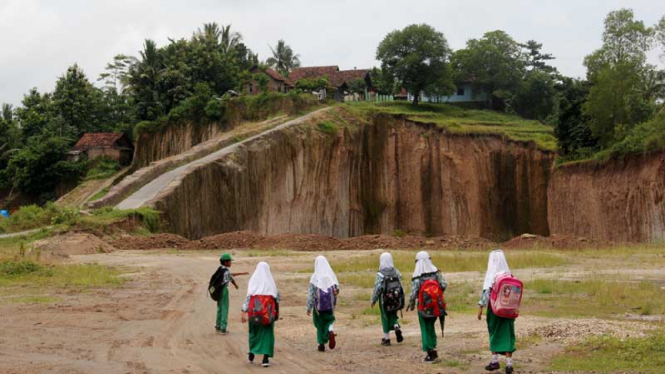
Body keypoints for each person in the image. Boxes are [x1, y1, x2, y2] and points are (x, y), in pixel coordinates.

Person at [478, 249, 516, 374]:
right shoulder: (510, 276)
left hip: (494, 311)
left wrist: (480, 308)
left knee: (493, 333)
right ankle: (509, 364)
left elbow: (485, 295)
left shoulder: (492, 276)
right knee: (508, 334)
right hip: (509, 312)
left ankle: (494, 362)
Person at [407, 251, 447, 363]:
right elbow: (444, 285)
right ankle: (433, 348)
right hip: (436, 306)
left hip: (423, 307)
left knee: (425, 328)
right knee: (431, 326)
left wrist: (411, 305)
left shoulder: (417, 277)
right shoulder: (436, 273)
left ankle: (430, 352)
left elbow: (413, 293)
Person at [241, 262, 280, 367]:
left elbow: (248, 298)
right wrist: (277, 314)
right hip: (268, 314)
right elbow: (277, 299)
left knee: (254, 333)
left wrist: (243, 312)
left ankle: (252, 352)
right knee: (267, 334)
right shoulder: (271, 283)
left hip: (255, 313)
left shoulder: (253, 282)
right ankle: (265, 359)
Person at [306, 255, 340, 352]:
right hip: (330, 306)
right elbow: (337, 289)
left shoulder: (315, 277)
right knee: (329, 320)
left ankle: (321, 344)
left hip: (318, 308)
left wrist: (309, 307)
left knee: (319, 324)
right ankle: (330, 331)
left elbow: (311, 294)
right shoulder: (331, 275)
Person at [370, 252, 404, 346]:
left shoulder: (380, 274)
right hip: (396, 298)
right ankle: (396, 326)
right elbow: (400, 284)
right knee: (393, 314)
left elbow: (377, 289)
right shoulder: (396, 272)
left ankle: (387, 339)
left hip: (384, 300)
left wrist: (373, 300)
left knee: (385, 317)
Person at [215, 253, 248, 335]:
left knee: (219, 308)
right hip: (223, 290)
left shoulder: (220, 269)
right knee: (225, 309)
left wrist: (239, 275)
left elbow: (230, 276)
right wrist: (236, 283)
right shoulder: (225, 270)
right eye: (229, 261)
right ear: (225, 262)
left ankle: (218, 326)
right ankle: (223, 329)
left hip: (218, 291)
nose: (231, 263)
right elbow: (230, 277)